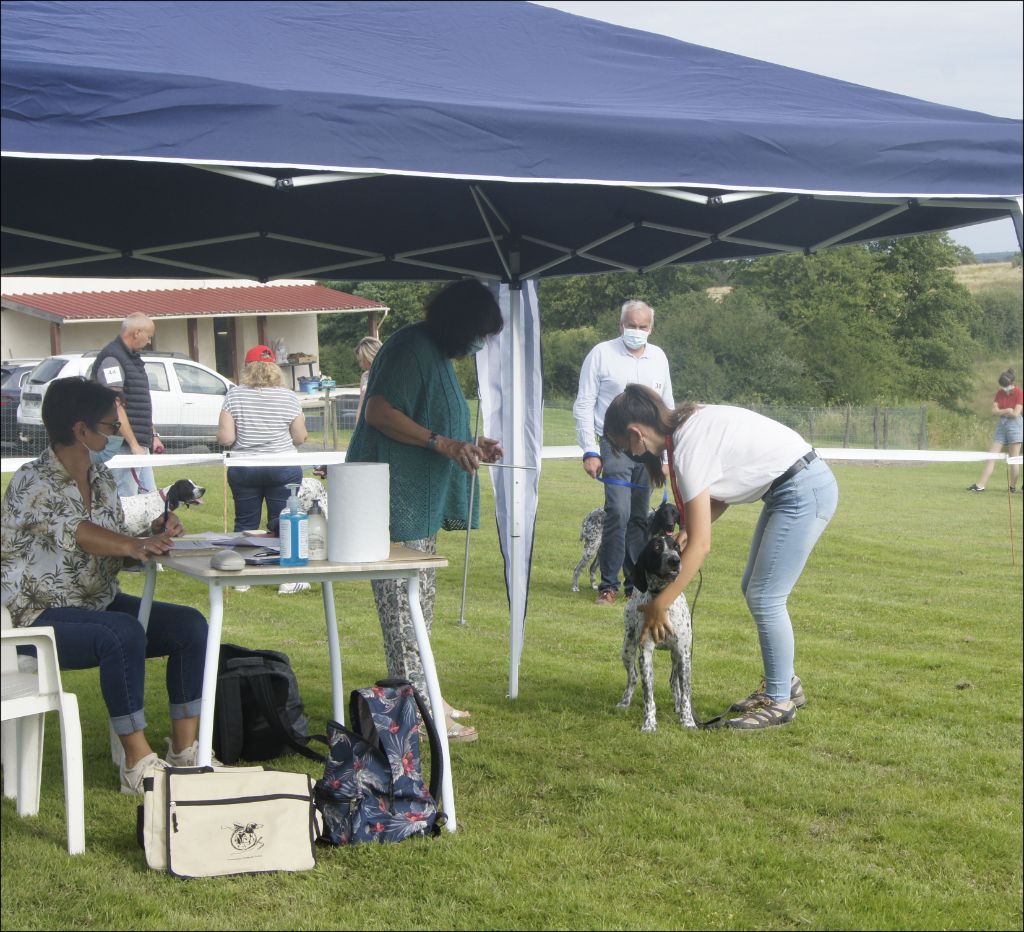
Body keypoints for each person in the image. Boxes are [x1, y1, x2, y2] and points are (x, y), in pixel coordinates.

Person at [0, 377, 209, 793]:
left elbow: (111, 543)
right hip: (32, 619)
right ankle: (138, 764)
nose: (117, 434)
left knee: (190, 626)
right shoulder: (32, 481)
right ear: (81, 430)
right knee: (122, 633)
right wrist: (133, 544)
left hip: (96, 605)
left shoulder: (101, 479)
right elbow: (78, 532)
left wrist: (152, 535)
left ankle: (185, 754)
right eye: (112, 427)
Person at [603, 384, 839, 730]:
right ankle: (785, 682)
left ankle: (779, 701)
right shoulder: (688, 426)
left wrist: (659, 604)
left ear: (636, 433)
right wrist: (688, 530)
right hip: (792, 485)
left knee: (766, 596)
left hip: (802, 489)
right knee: (754, 588)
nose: (629, 454)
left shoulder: (687, 448)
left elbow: (701, 547)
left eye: (624, 446)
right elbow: (724, 491)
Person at [345, 280, 504, 743]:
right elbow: (379, 412)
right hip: (393, 503)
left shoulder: (434, 353)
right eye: (479, 333)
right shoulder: (410, 348)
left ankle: (427, 695)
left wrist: (469, 445)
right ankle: (418, 710)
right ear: (461, 324)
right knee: (403, 614)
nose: (480, 343)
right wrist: (443, 443)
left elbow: (431, 419)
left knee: (419, 610)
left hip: (419, 504)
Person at [573, 300, 673, 606]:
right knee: (618, 512)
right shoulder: (601, 354)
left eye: (643, 326)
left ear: (651, 328)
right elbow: (584, 404)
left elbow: (667, 405)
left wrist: (666, 456)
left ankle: (635, 584)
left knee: (641, 517)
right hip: (615, 443)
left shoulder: (659, 357)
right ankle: (609, 585)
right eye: (631, 325)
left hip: (650, 448)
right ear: (621, 325)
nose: (637, 331)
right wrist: (590, 450)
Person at [218, 345, 308, 531]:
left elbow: (226, 438)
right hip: (283, 466)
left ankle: (244, 550)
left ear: (247, 368)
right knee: (282, 524)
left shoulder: (234, 394)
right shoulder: (289, 396)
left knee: (245, 524)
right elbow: (300, 437)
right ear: (275, 369)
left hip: (245, 467)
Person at [90, 312, 164, 497]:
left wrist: (152, 435)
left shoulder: (132, 359)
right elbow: (114, 405)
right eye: (149, 336)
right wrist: (133, 444)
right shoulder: (111, 359)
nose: (149, 342)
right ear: (137, 332)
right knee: (125, 497)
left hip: (139, 444)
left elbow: (139, 404)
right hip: (123, 446)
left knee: (150, 497)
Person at [967, 368, 1022, 494]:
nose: (1004, 388)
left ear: (1011, 383)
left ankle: (1012, 487)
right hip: (1001, 426)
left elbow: (1016, 413)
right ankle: (980, 485)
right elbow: (993, 411)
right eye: (1002, 386)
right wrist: (1007, 410)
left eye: (1006, 386)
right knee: (991, 456)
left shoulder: (1019, 392)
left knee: (1013, 459)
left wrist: (1003, 411)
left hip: (1015, 427)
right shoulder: (1000, 393)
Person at [354, 336, 382, 424]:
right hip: (366, 424)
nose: (361, 365)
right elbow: (361, 406)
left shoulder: (387, 374)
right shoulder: (365, 376)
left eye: (362, 360)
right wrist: (357, 426)